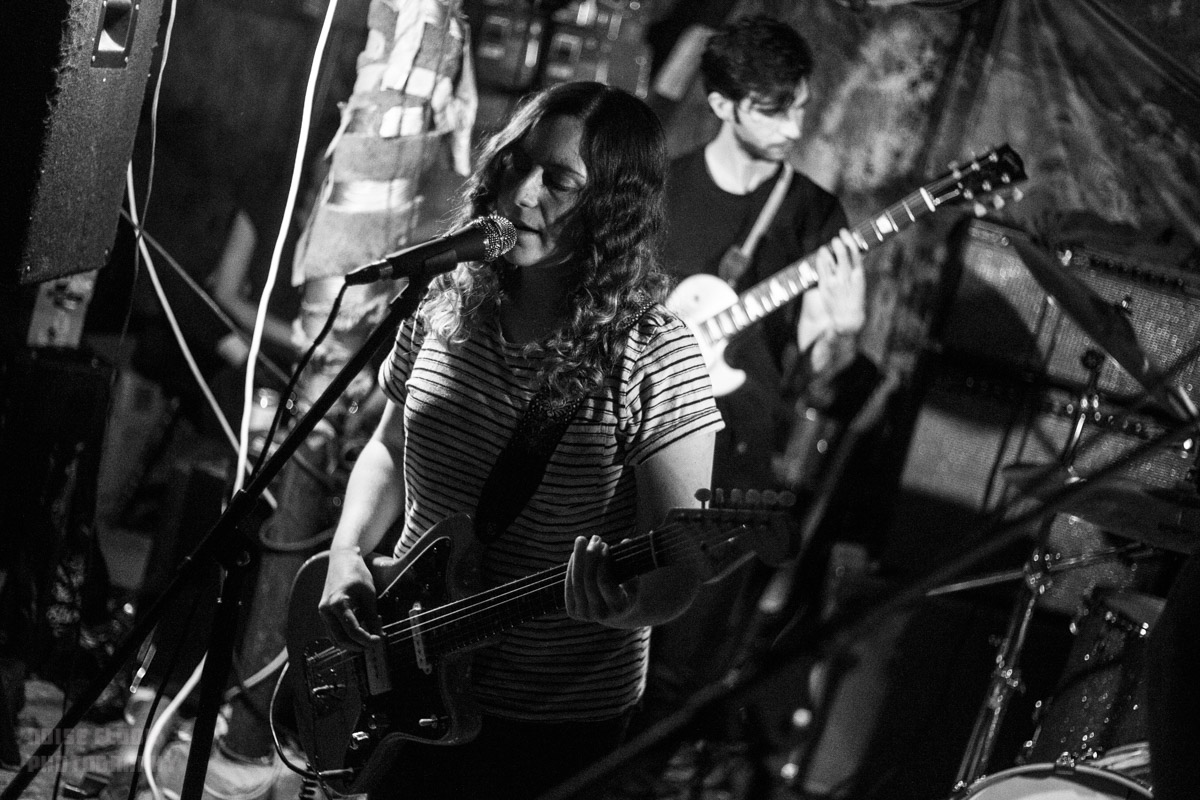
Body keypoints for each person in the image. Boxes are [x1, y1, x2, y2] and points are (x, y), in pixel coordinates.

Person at [317, 80, 725, 800]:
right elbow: (387, 447)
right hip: (403, 669)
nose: (523, 193)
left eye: (560, 182)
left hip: (548, 723)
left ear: (612, 210)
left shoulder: (655, 354)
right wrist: (347, 554)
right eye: (517, 164)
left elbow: (679, 565)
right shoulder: (445, 299)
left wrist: (624, 604)